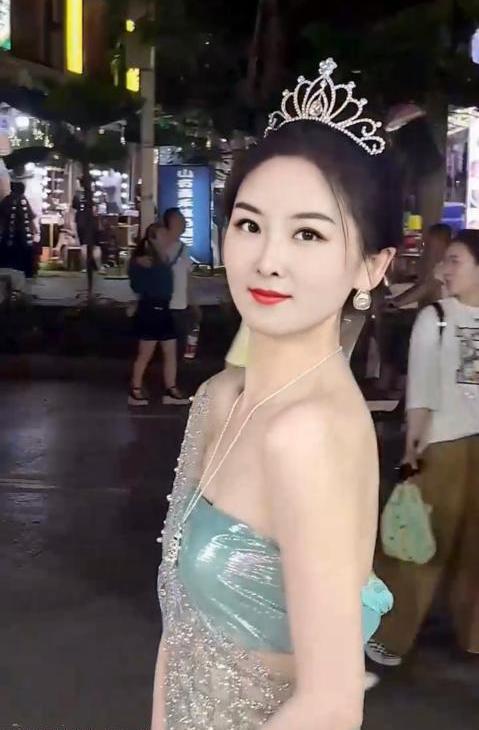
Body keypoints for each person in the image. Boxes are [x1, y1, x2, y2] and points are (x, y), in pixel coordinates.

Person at [152, 59, 401, 729]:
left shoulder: (308, 433)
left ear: (371, 266)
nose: (268, 259)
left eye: (308, 233)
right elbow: (178, 631)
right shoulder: (218, 397)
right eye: (249, 224)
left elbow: (330, 705)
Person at [367, 229, 479, 667]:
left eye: (455, 260)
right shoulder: (436, 317)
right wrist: (412, 449)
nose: (442, 269)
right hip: (442, 444)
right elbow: (421, 390)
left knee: (473, 547)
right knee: (419, 544)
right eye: (445, 259)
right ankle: (391, 634)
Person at [128, 223, 190, 407]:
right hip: (151, 308)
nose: (167, 238)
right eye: (163, 235)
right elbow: (137, 285)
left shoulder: (164, 257)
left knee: (170, 350)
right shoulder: (145, 260)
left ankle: (170, 389)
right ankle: (135, 390)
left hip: (164, 307)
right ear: (152, 239)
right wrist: (138, 265)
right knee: (145, 353)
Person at [162, 208, 200, 359]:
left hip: (179, 304)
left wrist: (193, 301)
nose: (185, 222)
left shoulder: (183, 248)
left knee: (177, 346)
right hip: (166, 304)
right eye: (181, 219)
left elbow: (187, 277)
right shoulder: (159, 247)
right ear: (172, 222)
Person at [0, 181, 36, 278]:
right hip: (22, 235)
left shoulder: (7, 200)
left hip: (10, 234)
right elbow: (29, 218)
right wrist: (34, 231)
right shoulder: (23, 200)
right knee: (22, 255)